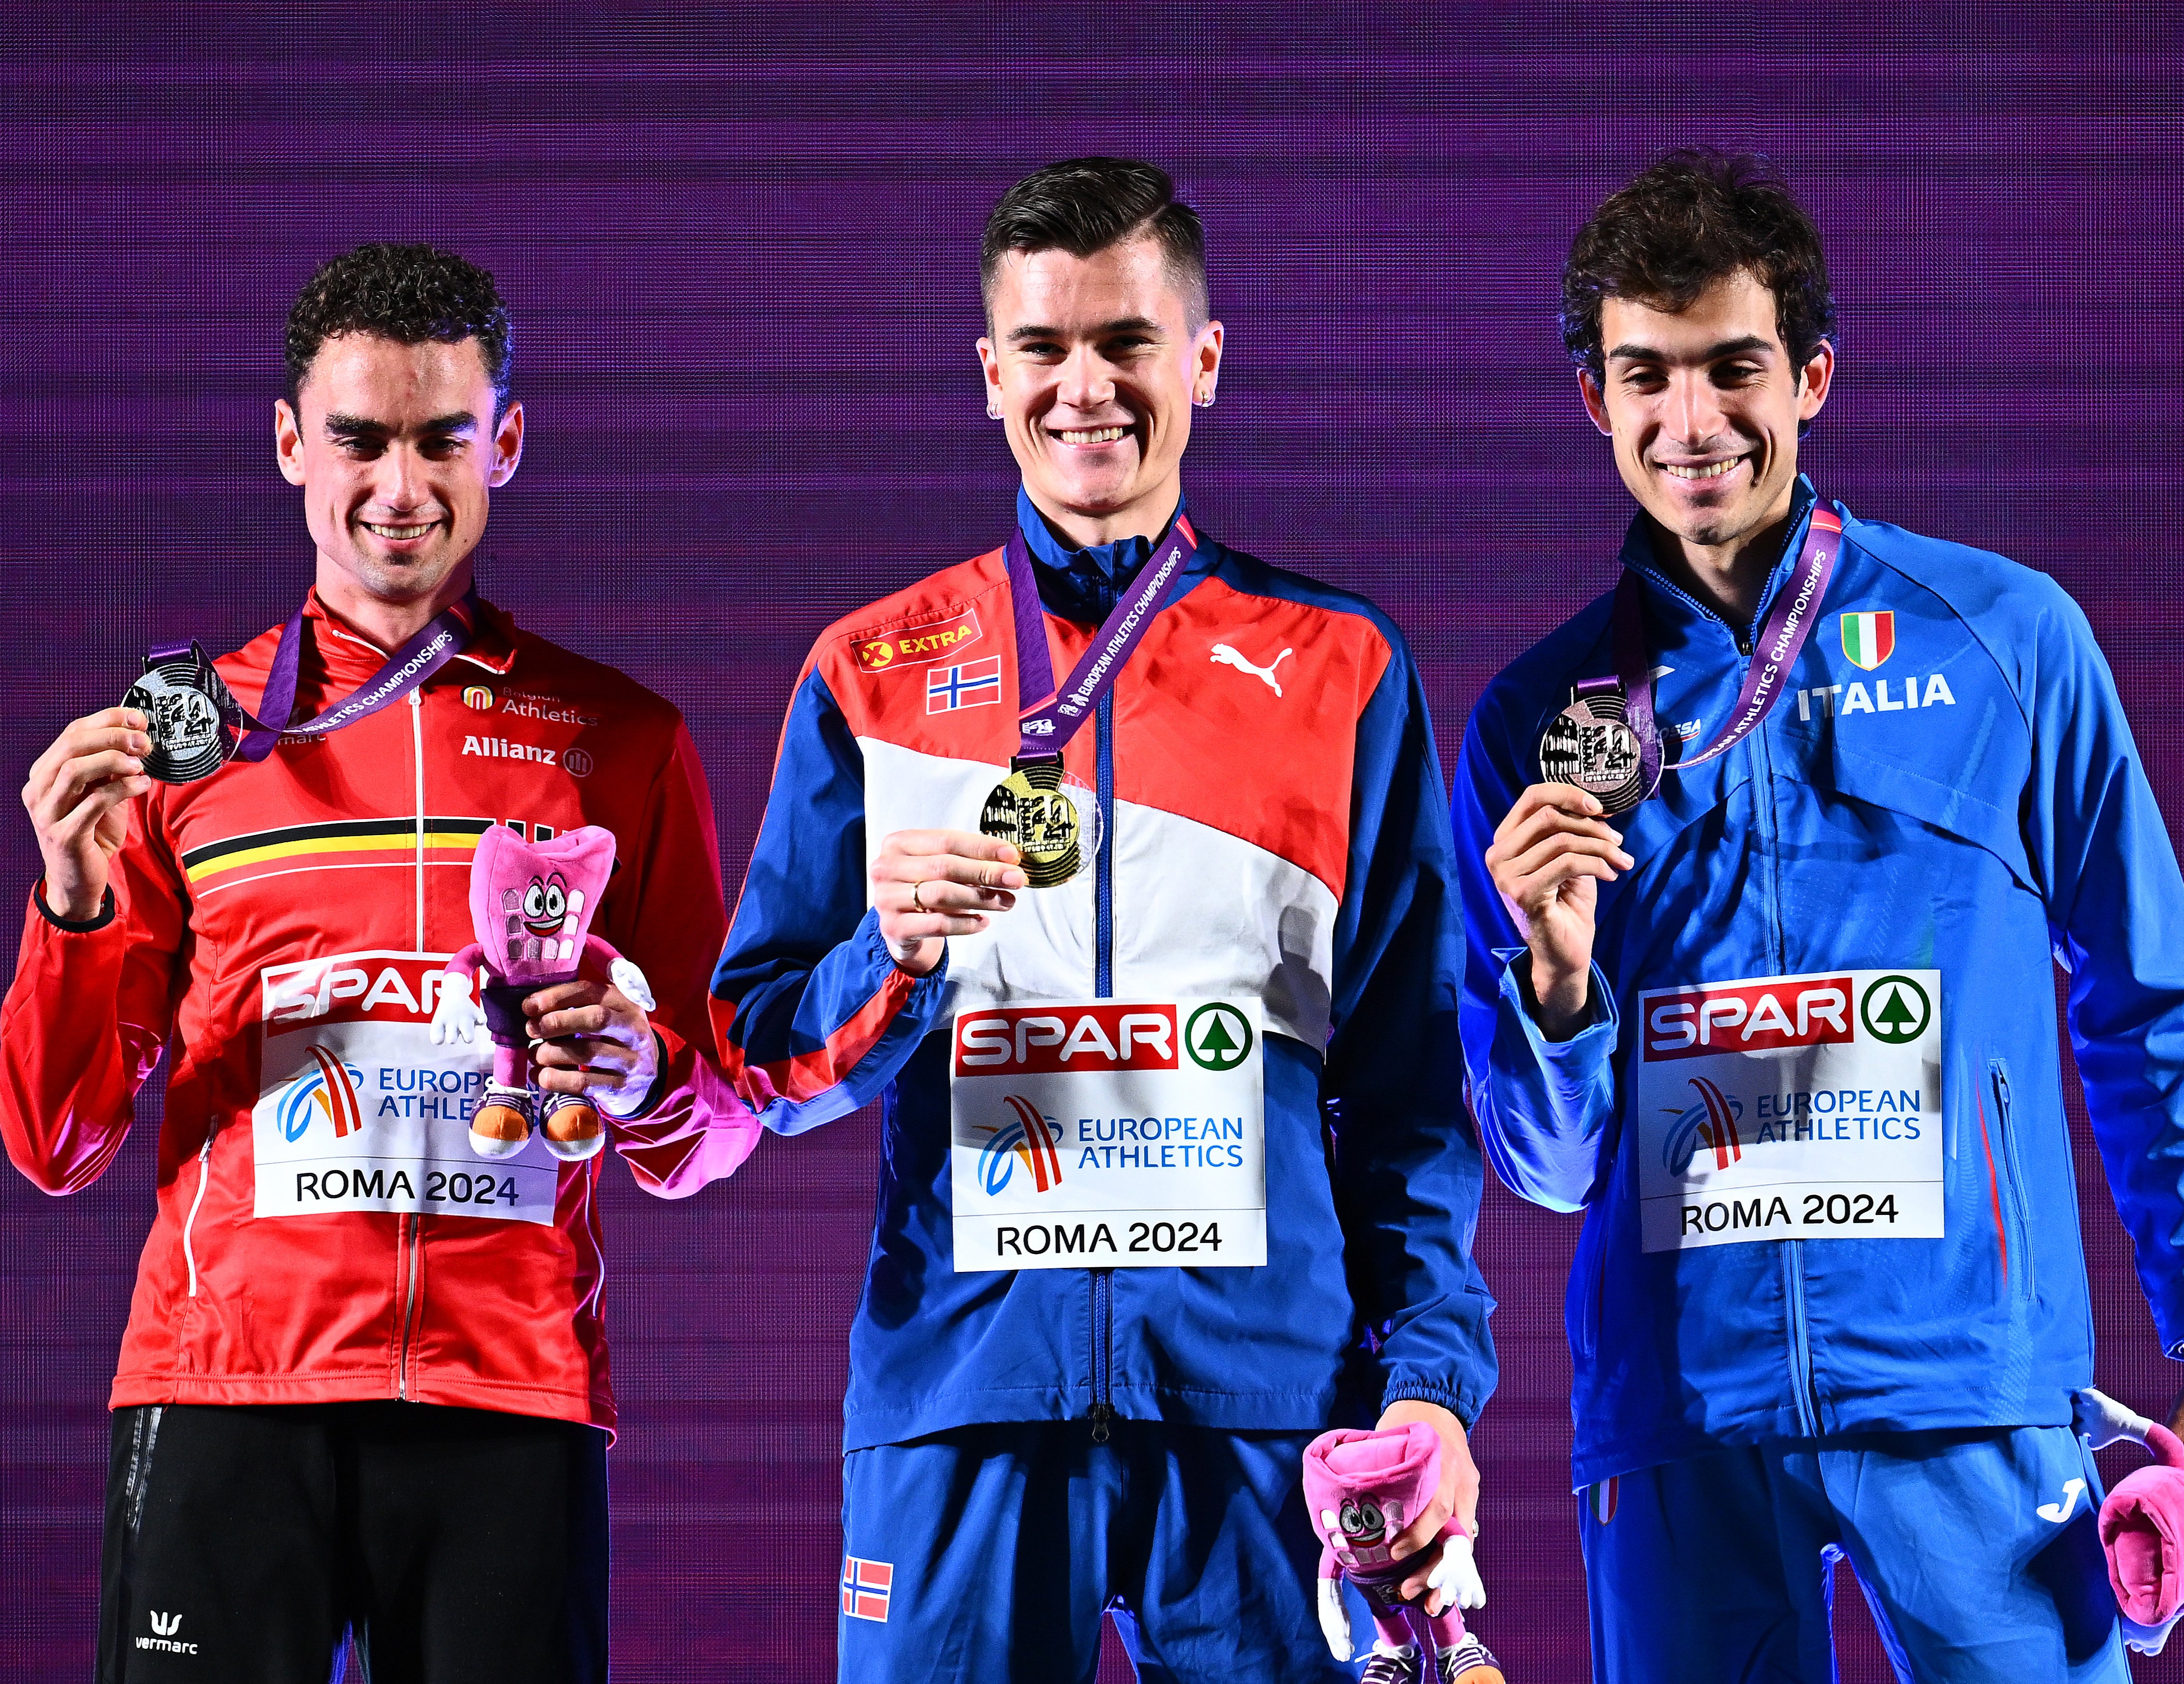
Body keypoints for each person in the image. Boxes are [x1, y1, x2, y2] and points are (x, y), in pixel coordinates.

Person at [1452, 147, 2184, 1681]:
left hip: (1966, 1394)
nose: (1691, 424)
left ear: (1810, 375)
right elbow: (1547, 1176)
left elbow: (2146, 1005)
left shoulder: (2006, 638)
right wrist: (1552, 981)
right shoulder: (1534, 721)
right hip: (1681, 1421)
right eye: (1646, 377)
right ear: (1594, 402)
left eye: (1731, 369)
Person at [710, 157, 1500, 1684]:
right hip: (963, 1405)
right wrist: (893, 958)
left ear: (1201, 360)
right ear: (989, 371)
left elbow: (1409, 1099)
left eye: (1127, 342)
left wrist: (1429, 1389)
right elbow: (755, 1060)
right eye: (1047, 347)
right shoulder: (868, 670)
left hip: (1270, 1413)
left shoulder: (1341, 666)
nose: (1087, 387)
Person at [5, 242, 757, 1682]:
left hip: (509, 1393)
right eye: (358, 437)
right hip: (227, 1390)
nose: (399, 486)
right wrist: (69, 897)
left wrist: (645, 1067)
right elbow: (53, 1138)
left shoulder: (624, 740)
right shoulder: (181, 742)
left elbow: (706, 1131)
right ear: (292, 441)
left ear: (507, 443)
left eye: (441, 439)